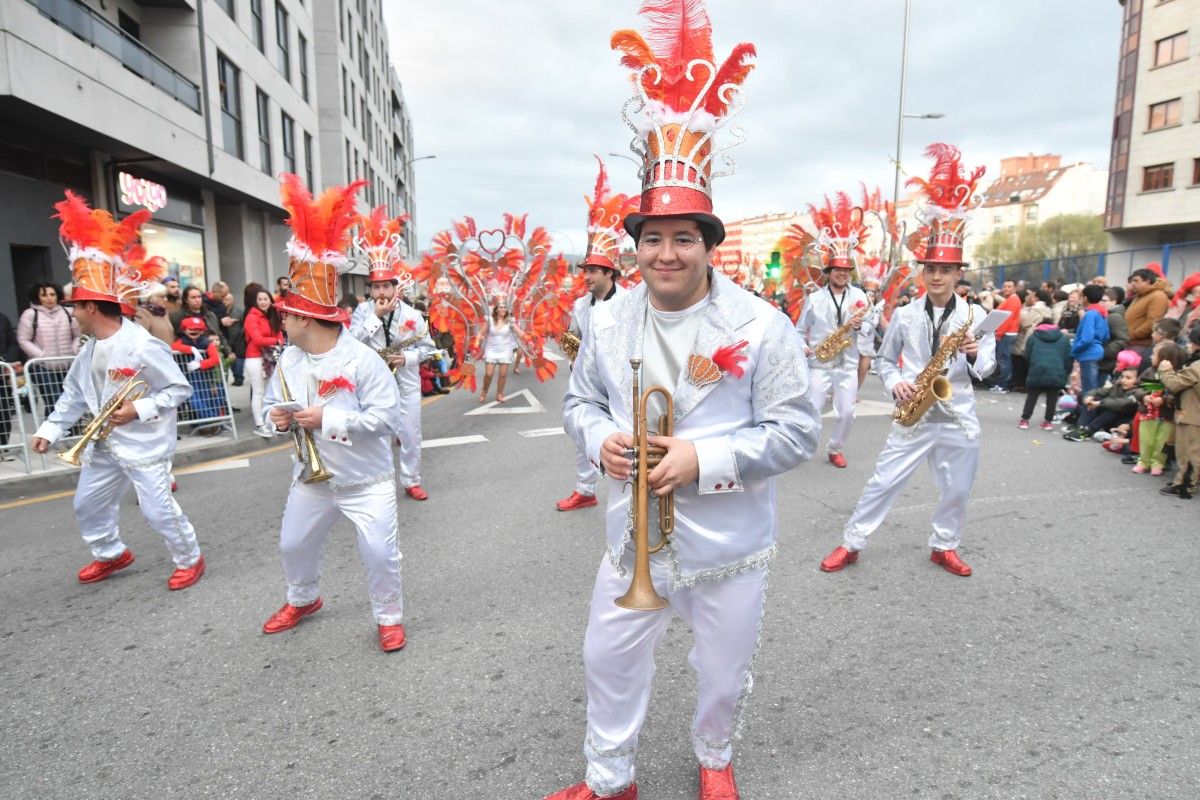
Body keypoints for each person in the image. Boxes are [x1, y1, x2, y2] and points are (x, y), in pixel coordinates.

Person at [550, 9, 820, 798]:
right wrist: (599, 437)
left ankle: (713, 760)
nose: (665, 254)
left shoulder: (762, 326)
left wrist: (703, 456)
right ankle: (609, 781)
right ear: (635, 245)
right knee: (606, 656)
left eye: (683, 239)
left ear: (708, 244)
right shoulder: (604, 320)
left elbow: (796, 430)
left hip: (728, 538)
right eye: (653, 238)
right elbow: (580, 400)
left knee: (723, 670)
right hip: (633, 537)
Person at [821, 143, 995, 579]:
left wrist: (975, 355)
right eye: (929, 268)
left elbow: (989, 369)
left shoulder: (975, 316)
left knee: (957, 488)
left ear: (958, 273)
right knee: (883, 481)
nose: (936, 275)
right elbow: (882, 360)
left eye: (945, 269)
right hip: (914, 410)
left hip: (958, 413)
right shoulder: (904, 313)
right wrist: (897, 380)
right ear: (922, 272)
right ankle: (852, 542)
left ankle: (945, 545)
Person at [258, 174, 407, 653]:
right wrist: (276, 419)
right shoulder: (289, 357)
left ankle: (389, 616)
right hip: (312, 478)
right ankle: (303, 598)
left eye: (286, 313)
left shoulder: (362, 360)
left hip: (367, 480)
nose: (281, 319)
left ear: (305, 318)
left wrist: (329, 420)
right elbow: (268, 404)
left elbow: (386, 419)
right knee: (291, 545)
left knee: (380, 553)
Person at [31, 191, 204, 590]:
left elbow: (178, 389)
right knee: (86, 504)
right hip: (105, 445)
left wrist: (138, 410)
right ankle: (110, 553)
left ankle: (189, 558)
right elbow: (74, 395)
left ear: (91, 308)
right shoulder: (89, 348)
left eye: (76, 307)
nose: (72, 313)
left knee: (159, 511)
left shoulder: (143, 345)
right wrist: (49, 430)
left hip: (144, 445)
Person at [556, 156, 635, 513]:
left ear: (610, 273)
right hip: (588, 381)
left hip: (622, 382)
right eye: (585, 270)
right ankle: (584, 489)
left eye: (592, 271)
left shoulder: (632, 302)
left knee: (629, 443)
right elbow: (574, 337)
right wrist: (572, 347)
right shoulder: (579, 306)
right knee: (584, 437)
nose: (586, 277)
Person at [348, 206, 438, 502]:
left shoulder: (413, 313)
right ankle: (381, 482)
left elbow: (428, 348)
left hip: (407, 382)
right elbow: (352, 343)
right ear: (371, 289)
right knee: (377, 437)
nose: (382, 292)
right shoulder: (362, 312)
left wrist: (406, 359)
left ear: (396, 287)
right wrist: (375, 317)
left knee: (410, 435)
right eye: (377, 287)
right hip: (373, 384)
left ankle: (411, 480)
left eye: (387, 285)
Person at [795, 194, 874, 468]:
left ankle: (835, 447)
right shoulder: (814, 299)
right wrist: (804, 347)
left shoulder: (860, 298)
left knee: (847, 413)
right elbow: (798, 329)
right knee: (813, 409)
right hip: (820, 364)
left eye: (846, 270)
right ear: (828, 272)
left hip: (847, 364)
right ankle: (803, 447)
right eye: (837, 270)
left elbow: (871, 325)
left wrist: (861, 324)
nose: (842, 274)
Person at [17, 281, 82, 418]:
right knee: (53, 399)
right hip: (42, 366)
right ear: (37, 297)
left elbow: (78, 336)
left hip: (67, 363)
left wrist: (73, 351)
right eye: (44, 295)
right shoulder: (30, 314)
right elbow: (23, 340)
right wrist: (41, 355)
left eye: (52, 294)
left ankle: (65, 431)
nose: (49, 298)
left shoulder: (68, 312)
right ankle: (55, 432)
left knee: (69, 399)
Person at [1158, 327, 1200, 499]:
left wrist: (1165, 370)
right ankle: (1184, 480)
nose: (1189, 345)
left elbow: (1174, 384)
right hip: (1192, 412)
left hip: (1192, 414)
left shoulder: (1197, 366)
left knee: (1188, 453)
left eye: (1191, 341)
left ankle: (1184, 485)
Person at [1132, 344, 1185, 476]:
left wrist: (1164, 399)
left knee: (1162, 440)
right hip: (1149, 412)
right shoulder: (1150, 371)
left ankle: (1158, 463)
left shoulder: (1179, 376)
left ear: (1166, 359)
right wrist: (1143, 396)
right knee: (1146, 438)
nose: (1151, 357)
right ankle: (1143, 461)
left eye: (1155, 355)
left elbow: (1179, 394)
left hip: (1167, 415)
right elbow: (1137, 387)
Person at [242, 286, 285, 438]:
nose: (262, 302)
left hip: (271, 357)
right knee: (259, 392)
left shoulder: (272, 315)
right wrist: (277, 340)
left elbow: (279, 332)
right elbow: (258, 339)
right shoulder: (251, 317)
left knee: (271, 392)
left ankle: (270, 422)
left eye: (265, 299)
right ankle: (260, 424)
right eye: (259, 299)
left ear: (270, 300)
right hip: (255, 358)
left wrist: (278, 340)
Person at [170, 315, 226, 431]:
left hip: (204, 377)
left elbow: (215, 359)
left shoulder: (206, 342)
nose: (194, 332)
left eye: (198, 329)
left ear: (202, 331)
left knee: (205, 400)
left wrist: (201, 364)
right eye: (191, 329)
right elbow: (174, 346)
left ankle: (206, 426)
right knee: (195, 402)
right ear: (184, 330)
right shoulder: (182, 341)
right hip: (188, 378)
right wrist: (190, 349)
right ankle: (213, 420)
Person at [1063, 367, 1140, 442]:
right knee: (1090, 398)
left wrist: (1099, 403)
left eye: (1128, 378)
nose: (1123, 380)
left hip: (1124, 424)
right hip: (1109, 421)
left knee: (1112, 410)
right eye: (1122, 377)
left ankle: (1087, 431)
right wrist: (1089, 397)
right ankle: (1081, 425)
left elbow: (1121, 404)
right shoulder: (1118, 386)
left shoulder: (1139, 392)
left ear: (1137, 380)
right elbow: (1100, 391)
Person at [1020, 321, 1071, 430]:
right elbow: (1068, 358)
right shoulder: (1064, 339)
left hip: (1037, 368)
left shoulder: (1033, 337)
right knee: (1052, 397)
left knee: (1032, 396)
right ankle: (1048, 422)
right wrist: (1066, 372)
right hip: (1057, 371)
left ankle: (1025, 420)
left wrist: (1032, 365)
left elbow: (1027, 355)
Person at [474, 303, 526, 404]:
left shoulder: (510, 321)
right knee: (489, 374)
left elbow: (520, 333)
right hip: (491, 348)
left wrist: (529, 338)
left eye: (505, 307)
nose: (503, 309)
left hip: (505, 349)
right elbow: (481, 333)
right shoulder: (490, 321)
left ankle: (500, 393)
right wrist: (477, 339)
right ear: (496, 309)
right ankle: (484, 391)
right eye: (501, 307)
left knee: (503, 374)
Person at [1071, 284, 1110, 398]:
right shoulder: (1102, 313)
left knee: (1088, 391)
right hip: (1098, 352)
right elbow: (1106, 336)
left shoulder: (1090, 315)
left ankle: (1087, 415)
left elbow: (1087, 338)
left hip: (1088, 354)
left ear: (1085, 298)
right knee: (1094, 388)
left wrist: (1076, 347)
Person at [1126, 267, 1173, 362]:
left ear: (1147, 281)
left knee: (1132, 373)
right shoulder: (1141, 294)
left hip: (1141, 345)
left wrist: (1132, 335)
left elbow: (1153, 323)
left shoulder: (1158, 296)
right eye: (1132, 281)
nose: (1132, 284)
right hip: (1132, 343)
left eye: (1136, 280)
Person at [989, 278, 1021, 393]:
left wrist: (999, 333)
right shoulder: (1012, 299)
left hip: (1006, 333)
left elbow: (1007, 318)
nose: (1006, 288)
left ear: (1015, 288)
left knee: (1004, 360)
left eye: (1009, 286)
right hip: (1006, 332)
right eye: (1005, 286)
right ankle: (1001, 384)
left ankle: (1003, 385)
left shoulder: (1013, 299)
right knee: (1004, 359)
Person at [0, 311, 23, 459]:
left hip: (1, 371)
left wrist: (4, 359)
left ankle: (3, 446)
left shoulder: (2, 318)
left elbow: (13, 343)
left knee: (4, 409)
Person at [1098, 287, 1129, 375]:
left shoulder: (1115, 317)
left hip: (1107, 364)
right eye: (1099, 300)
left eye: (1104, 300)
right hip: (1102, 362)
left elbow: (1122, 340)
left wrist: (1103, 352)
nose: (1101, 303)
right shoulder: (1105, 314)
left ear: (1114, 301)